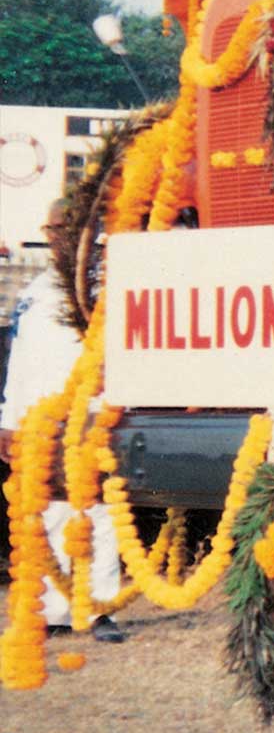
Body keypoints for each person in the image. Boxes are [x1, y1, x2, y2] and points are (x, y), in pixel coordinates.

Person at [0, 263, 127, 643]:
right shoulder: (36, 290)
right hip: (42, 414)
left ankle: (100, 610)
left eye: (62, 227)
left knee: (99, 510)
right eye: (51, 230)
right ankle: (55, 611)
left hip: (93, 410)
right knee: (51, 509)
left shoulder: (103, 283)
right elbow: (20, 363)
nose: (57, 237)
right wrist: (9, 418)